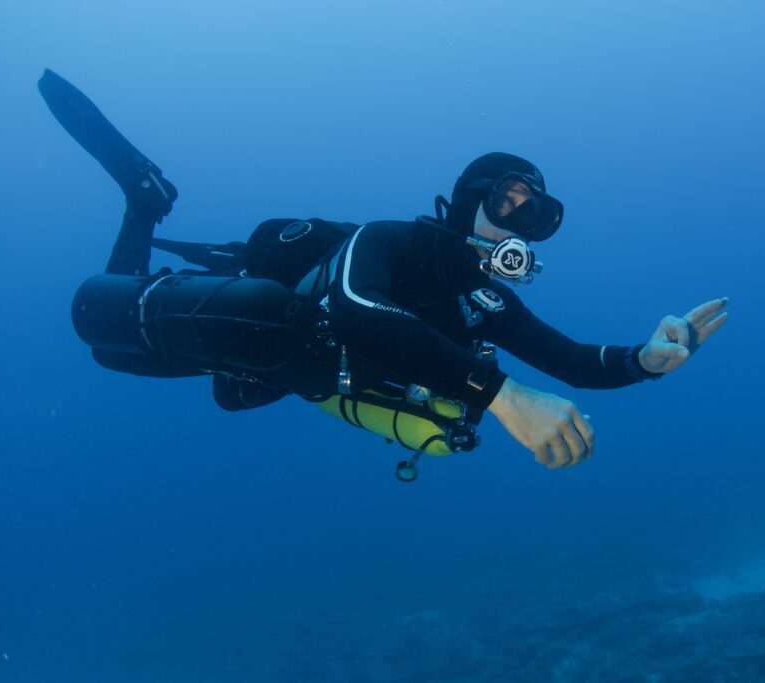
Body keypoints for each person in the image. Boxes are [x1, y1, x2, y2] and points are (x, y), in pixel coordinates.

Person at [39, 69, 729, 473]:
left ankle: (143, 209)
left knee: (126, 361)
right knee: (99, 329)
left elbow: (574, 360)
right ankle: (145, 197)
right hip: (268, 322)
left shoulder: (483, 299)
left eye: (532, 214)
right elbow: (354, 309)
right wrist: (507, 396)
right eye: (503, 202)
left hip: (279, 372)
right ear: (466, 203)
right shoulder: (393, 240)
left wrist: (645, 356)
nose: (514, 222)